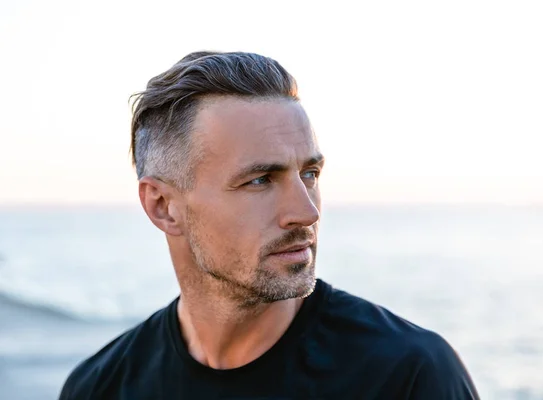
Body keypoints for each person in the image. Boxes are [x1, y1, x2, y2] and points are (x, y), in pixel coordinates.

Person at [59, 51, 479, 399]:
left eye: (310, 174)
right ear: (163, 206)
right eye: (260, 180)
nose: (306, 212)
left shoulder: (408, 375)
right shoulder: (99, 388)